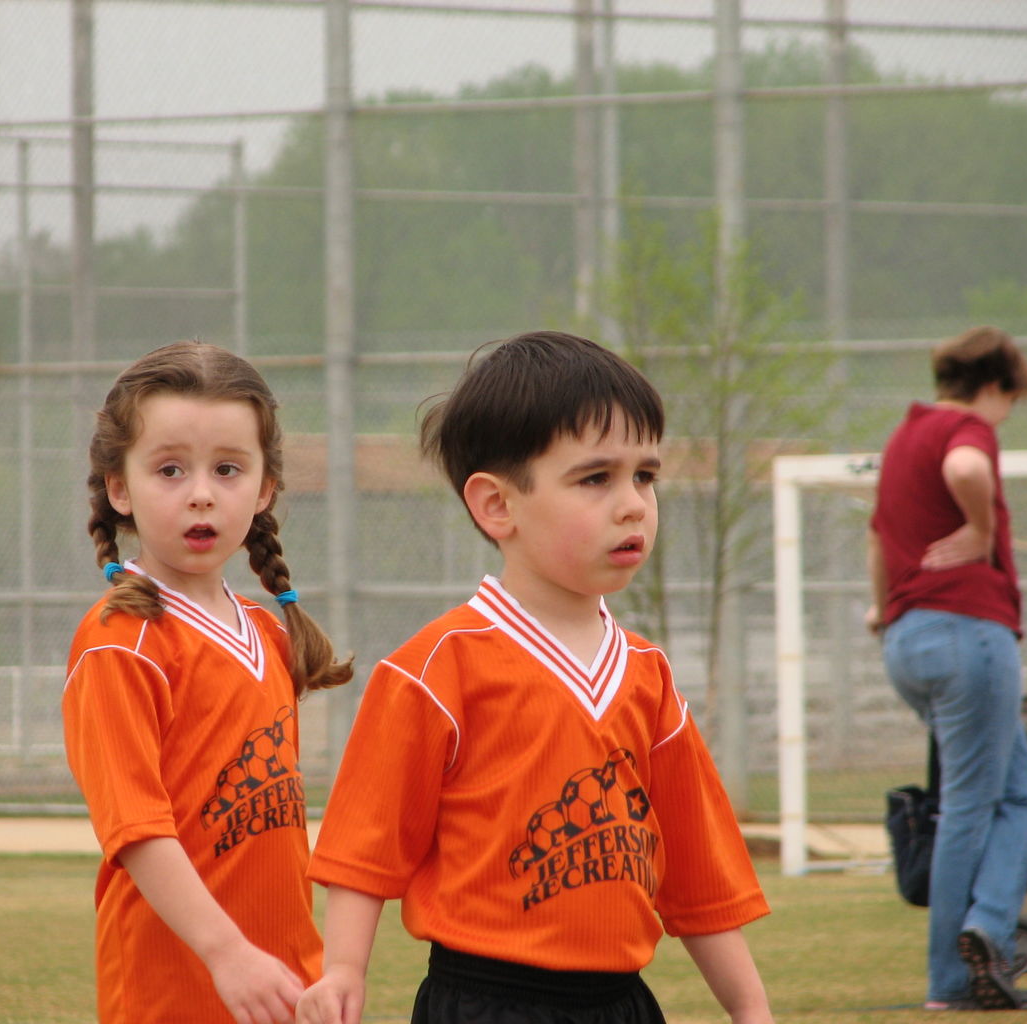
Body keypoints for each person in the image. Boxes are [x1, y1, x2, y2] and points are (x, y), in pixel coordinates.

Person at [297, 331, 773, 1024]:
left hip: (622, 1003)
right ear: (496, 505)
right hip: (486, 1002)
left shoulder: (648, 675)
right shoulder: (435, 667)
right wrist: (342, 970)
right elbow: (363, 846)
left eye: (645, 476)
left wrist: (750, 1009)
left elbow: (696, 872)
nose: (634, 503)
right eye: (595, 478)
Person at [62, 340, 353, 1024]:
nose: (200, 493)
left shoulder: (267, 629)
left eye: (227, 469)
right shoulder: (120, 639)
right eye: (169, 469)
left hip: (281, 980)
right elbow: (135, 831)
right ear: (119, 488)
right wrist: (226, 953)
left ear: (265, 488)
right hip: (177, 989)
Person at [866, 325, 1027, 1011]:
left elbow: (878, 535)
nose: (1004, 415)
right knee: (971, 807)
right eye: (1011, 401)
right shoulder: (966, 430)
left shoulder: (902, 436)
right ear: (994, 387)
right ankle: (956, 971)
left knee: (1017, 795)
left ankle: (986, 934)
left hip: (907, 641)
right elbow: (966, 471)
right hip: (969, 635)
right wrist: (979, 531)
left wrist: (883, 611)